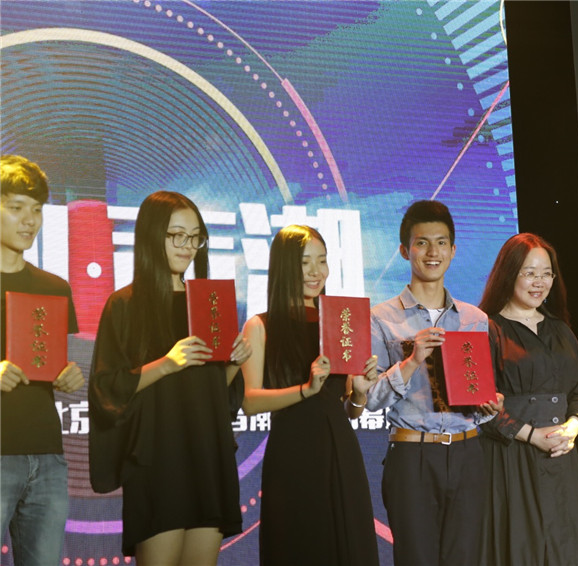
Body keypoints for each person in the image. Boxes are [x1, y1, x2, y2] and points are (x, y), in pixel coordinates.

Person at [88, 191, 249, 565]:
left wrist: (234, 364)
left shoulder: (209, 303)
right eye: (176, 235)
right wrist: (166, 363)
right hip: (158, 458)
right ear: (151, 235)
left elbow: (216, 397)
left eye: (194, 237)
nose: (187, 246)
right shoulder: (125, 305)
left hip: (207, 454)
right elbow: (106, 390)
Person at [366, 200, 502, 566]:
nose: (432, 252)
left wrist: (489, 407)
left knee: (466, 558)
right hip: (413, 455)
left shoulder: (475, 319)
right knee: (416, 557)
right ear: (404, 250)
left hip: (467, 452)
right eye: (422, 243)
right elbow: (371, 399)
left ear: (453, 250)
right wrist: (412, 361)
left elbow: (478, 399)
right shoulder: (381, 318)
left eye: (441, 243)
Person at [240, 225, 379, 566]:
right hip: (292, 453)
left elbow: (350, 410)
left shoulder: (339, 323)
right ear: (284, 266)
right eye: (305, 263)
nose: (316, 272)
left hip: (339, 450)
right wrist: (305, 390)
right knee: (298, 544)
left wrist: (359, 394)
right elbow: (250, 401)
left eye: (322, 260)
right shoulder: (260, 326)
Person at [477, 233, 578, 566]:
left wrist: (573, 427)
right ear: (509, 274)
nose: (540, 282)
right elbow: (478, 405)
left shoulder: (560, 329)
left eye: (547, 274)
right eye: (530, 273)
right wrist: (531, 435)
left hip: (560, 457)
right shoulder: (487, 328)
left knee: (569, 551)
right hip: (510, 458)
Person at [0, 155, 85, 566]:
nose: (29, 221)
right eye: (16, 208)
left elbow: (53, 362)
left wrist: (68, 376)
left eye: (36, 210)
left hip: (47, 454)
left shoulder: (53, 287)